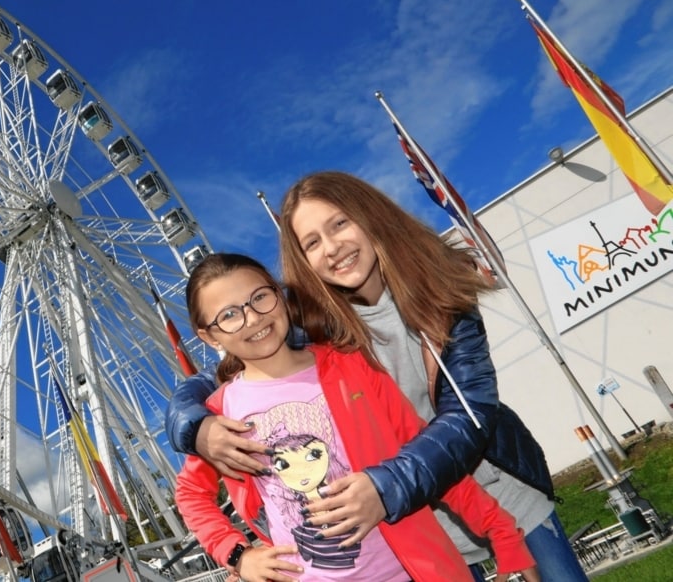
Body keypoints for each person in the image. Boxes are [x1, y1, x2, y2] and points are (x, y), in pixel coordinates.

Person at [167, 171, 586, 581]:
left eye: (340, 224)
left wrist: (385, 488)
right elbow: (223, 380)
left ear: (371, 217)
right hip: (412, 525)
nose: (332, 248)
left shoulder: (443, 301)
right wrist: (195, 426)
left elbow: (466, 420)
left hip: (484, 488)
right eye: (312, 242)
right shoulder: (317, 331)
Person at [173, 252, 536, 582]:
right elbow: (191, 494)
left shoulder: (350, 366)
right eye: (229, 315)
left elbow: (425, 451)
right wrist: (239, 556)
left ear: (280, 295)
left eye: (260, 297)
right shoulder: (222, 414)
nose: (252, 318)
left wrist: (500, 531)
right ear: (208, 336)